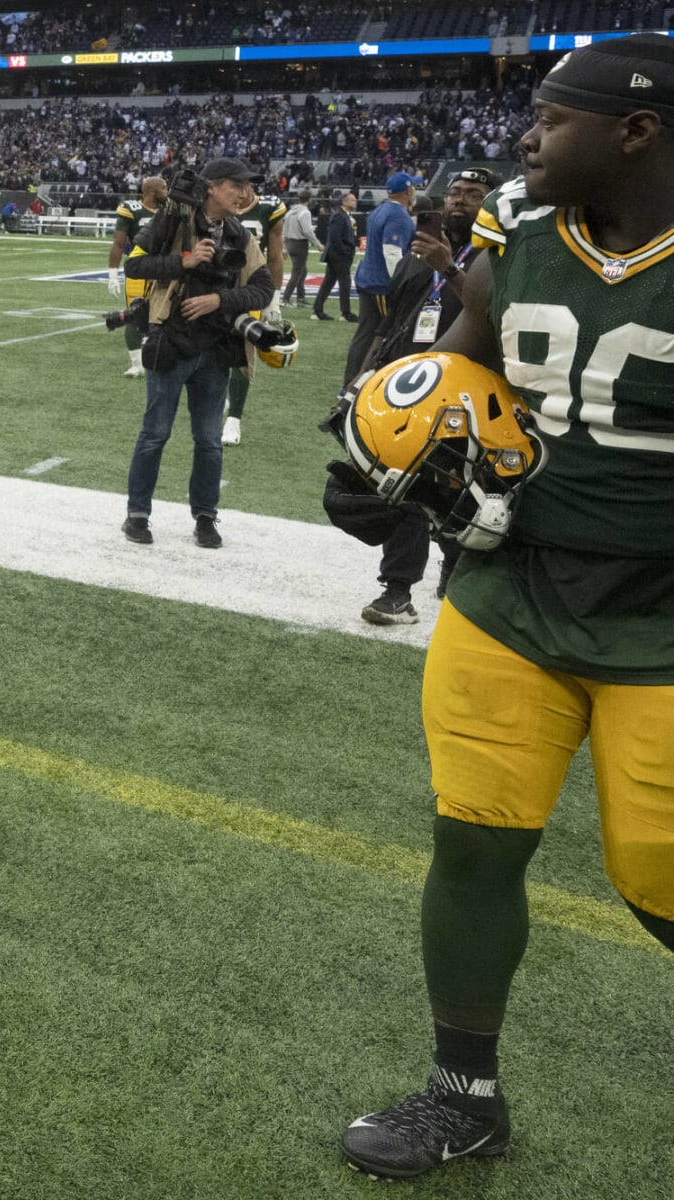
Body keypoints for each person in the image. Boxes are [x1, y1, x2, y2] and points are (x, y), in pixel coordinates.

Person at [341, 33, 674, 1179]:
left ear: (638, 131)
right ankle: (464, 1096)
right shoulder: (517, 232)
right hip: (509, 600)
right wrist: (389, 462)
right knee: (473, 846)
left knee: (658, 875)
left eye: (552, 118)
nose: (526, 139)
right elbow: (465, 370)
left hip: (661, 623)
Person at [352, 168, 497, 625]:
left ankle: (453, 564)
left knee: (454, 488)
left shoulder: (496, 258)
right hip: (410, 385)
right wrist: (362, 377)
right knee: (405, 485)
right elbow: (389, 322)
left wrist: (449, 268)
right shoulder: (416, 255)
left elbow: (490, 317)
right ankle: (398, 591)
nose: (460, 201)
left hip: (466, 389)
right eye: (455, 193)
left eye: (474, 195)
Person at [121, 158, 275, 549]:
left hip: (217, 348)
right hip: (172, 340)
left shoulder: (239, 233)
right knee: (155, 433)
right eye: (235, 185)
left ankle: (205, 517)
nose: (244, 193)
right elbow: (135, 264)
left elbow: (263, 288)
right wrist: (183, 262)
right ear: (211, 187)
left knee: (209, 440)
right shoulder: (173, 220)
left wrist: (217, 300)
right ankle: (137, 514)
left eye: (246, 186)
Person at [223, 182, 287, 445]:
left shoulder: (268, 208)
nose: (239, 192)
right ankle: (219, 398)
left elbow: (275, 255)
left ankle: (233, 420)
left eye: (242, 184)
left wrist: (273, 298)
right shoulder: (216, 203)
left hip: (251, 287)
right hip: (214, 284)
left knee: (243, 353)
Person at [343, 171, 420, 386]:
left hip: (369, 279)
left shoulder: (380, 210)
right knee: (378, 335)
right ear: (408, 190)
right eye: (413, 187)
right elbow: (392, 251)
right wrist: (401, 283)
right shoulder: (398, 215)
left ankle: (352, 381)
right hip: (381, 284)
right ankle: (359, 381)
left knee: (365, 333)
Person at [107, 174, 170, 378]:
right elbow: (118, 243)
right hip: (139, 269)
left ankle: (157, 355)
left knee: (165, 316)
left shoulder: (171, 210)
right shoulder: (131, 209)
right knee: (135, 314)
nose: (167, 192)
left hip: (164, 269)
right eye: (164, 188)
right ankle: (136, 364)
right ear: (152, 191)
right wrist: (113, 273)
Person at [311, 191, 358, 322]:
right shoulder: (339, 216)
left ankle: (318, 310)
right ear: (344, 202)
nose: (355, 202)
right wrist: (345, 251)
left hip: (337, 254)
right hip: (339, 255)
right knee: (344, 282)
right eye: (352, 200)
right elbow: (334, 237)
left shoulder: (344, 216)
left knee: (329, 282)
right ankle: (345, 313)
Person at [280, 188, 321, 307]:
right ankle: (286, 298)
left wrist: (284, 247)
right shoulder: (305, 212)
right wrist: (317, 243)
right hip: (300, 244)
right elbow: (307, 231)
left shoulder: (290, 212)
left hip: (290, 243)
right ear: (309, 199)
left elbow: (283, 230)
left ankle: (300, 298)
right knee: (297, 273)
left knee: (303, 271)